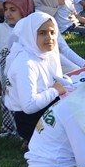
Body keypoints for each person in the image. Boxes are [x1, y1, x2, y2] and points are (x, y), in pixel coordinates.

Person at [4, 12, 73, 142]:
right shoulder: (26, 63)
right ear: (30, 34)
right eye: (42, 33)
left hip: (45, 110)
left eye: (52, 32)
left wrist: (66, 83)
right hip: (31, 121)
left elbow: (51, 79)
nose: (49, 37)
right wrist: (55, 90)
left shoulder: (42, 54)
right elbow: (29, 106)